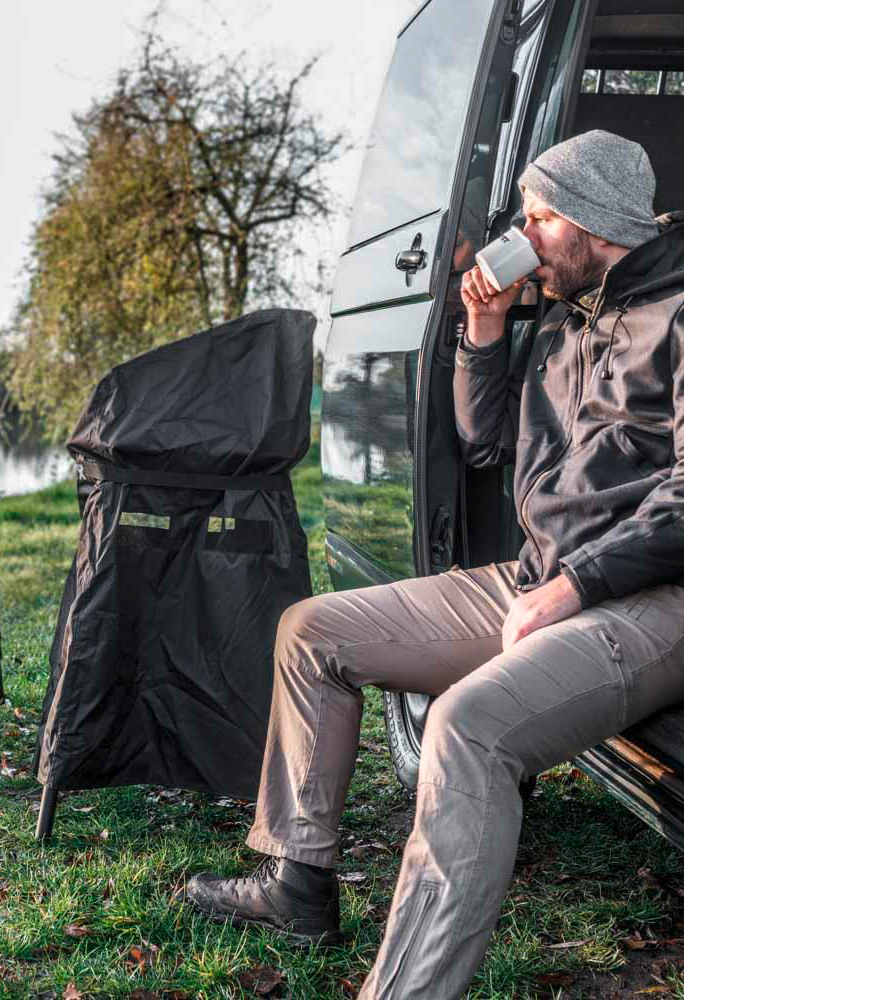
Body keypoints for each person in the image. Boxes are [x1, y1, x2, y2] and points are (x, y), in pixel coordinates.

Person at [181, 130, 684, 998]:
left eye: (535, 219)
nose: (521, 238)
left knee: (464, 726)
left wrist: (578, 584)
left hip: (659, 595)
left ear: (590, 219)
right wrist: (484, 329)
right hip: (543, 579)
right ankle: (294, 884)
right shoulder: (572, 314)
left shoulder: (691, 311)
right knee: (312, 632)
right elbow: (486, 441)